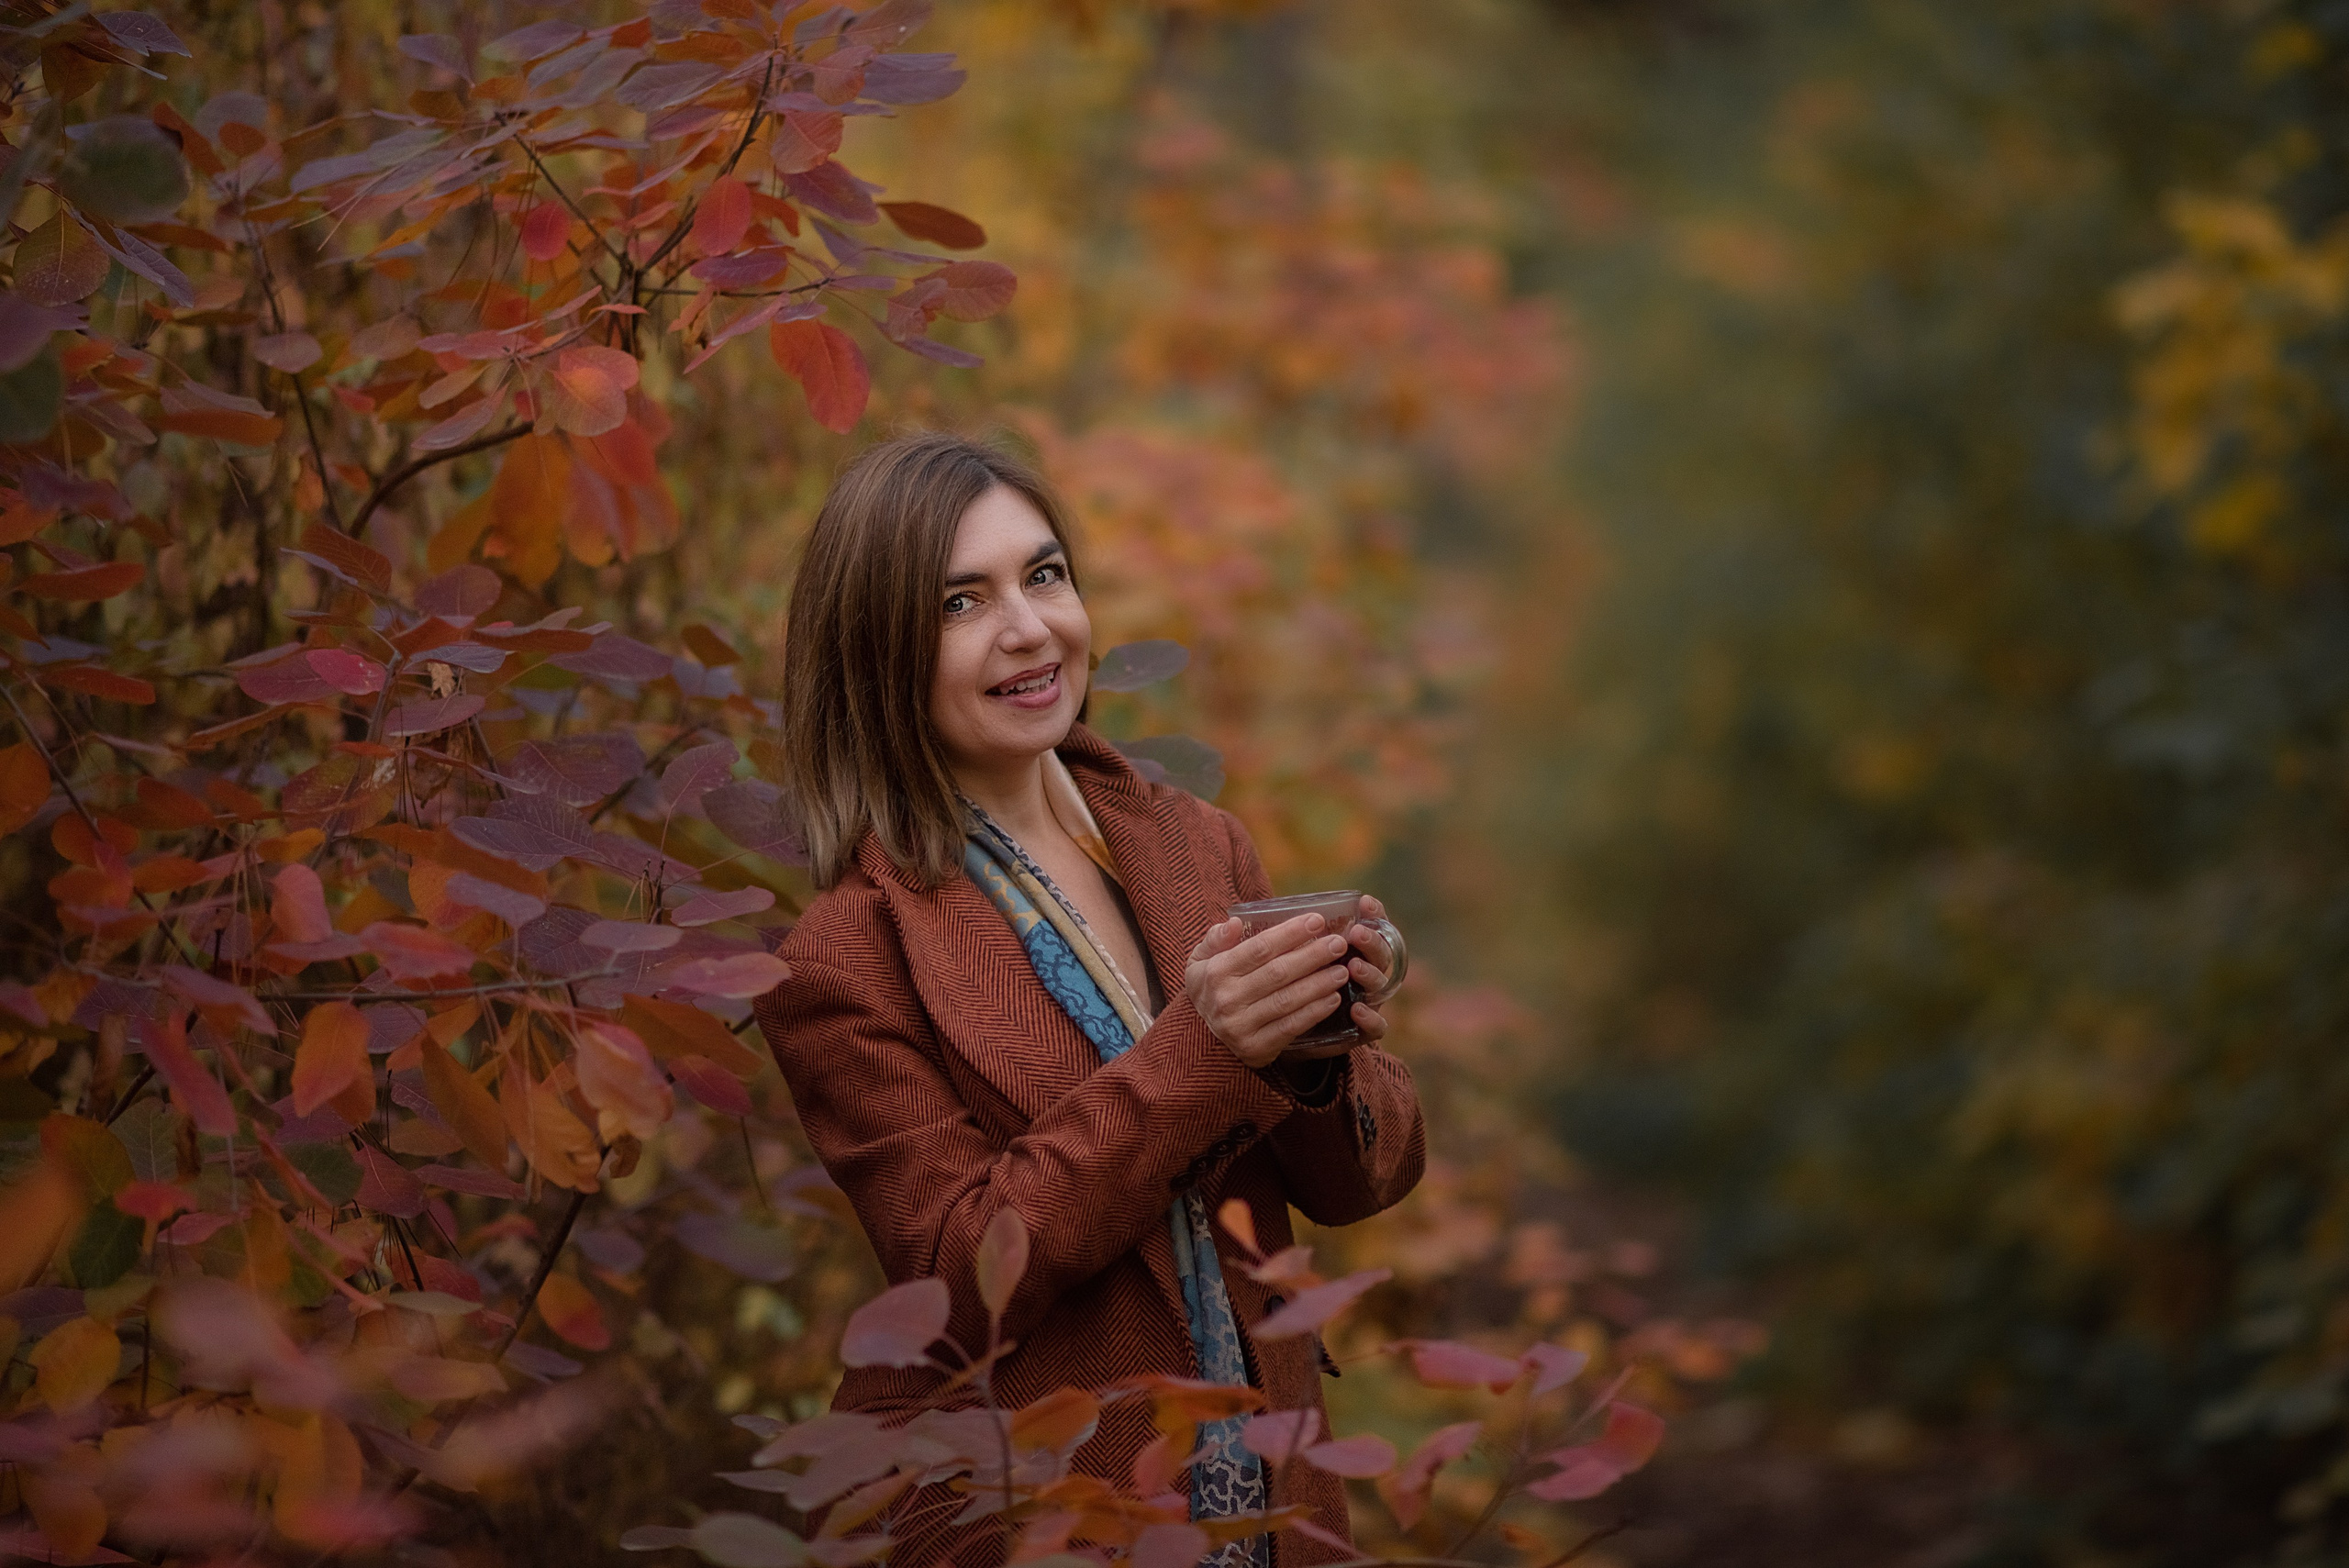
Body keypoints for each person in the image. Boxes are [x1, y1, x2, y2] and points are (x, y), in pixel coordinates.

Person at [752, 431, 1427, 1568]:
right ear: (876, 651)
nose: (1026, 627)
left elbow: (1367, 1178)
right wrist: (1205, 1054)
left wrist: (1314, 1055)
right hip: (1040, 1513)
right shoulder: (848, 951)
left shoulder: (1193, 844)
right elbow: (956, 1279)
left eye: (1044, 574)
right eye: (960, 601)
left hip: (1270, 1490)